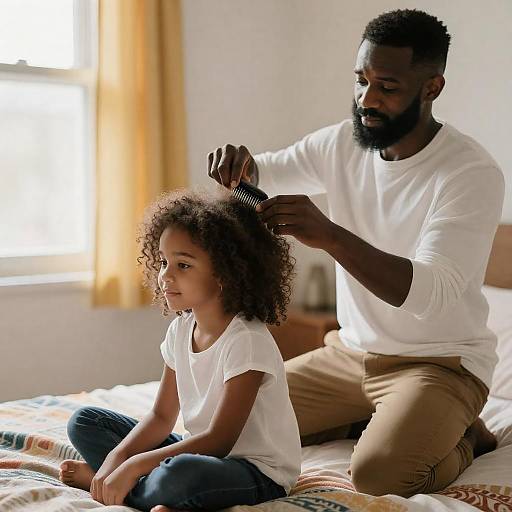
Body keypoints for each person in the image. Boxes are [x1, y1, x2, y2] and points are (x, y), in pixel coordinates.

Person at [208, 9, 505, 498]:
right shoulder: (341, 144)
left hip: (437, 365)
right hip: (350, 356)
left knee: (378, 476)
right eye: (360, 81)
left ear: (432, 88)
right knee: (229, 424)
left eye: (387, 86)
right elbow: (267, 170)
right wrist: (242, 165)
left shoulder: (468, 173)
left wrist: (331, 236)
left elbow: (426, 294)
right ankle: (366, 418)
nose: (367, 99)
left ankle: (466, 437)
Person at [58, 188, 301, 511]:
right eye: (163, 262)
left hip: (254, 471)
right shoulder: (181, 329)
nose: (165, 276)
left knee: (182, 474)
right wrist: (120, 456)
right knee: (86, 421)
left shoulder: (247, 340)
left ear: (224, 274)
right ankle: (135, 487)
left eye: (183, 265)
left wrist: (133, 465)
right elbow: (161, 417)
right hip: (198, 451)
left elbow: (219, 441)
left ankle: (109, 484)